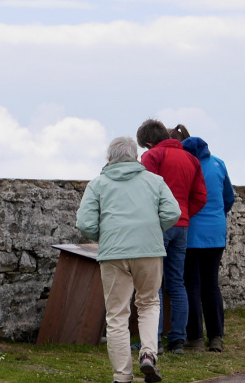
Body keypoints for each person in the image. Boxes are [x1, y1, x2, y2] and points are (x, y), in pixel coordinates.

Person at [77, 136, 179, 383]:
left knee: (116, 314)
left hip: (114, 252)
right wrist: (152, 231)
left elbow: (84, 223)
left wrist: (106, 236)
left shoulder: (98, 184)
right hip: (149, 250)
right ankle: (148, 354)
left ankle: (122, 375)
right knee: (148, 303)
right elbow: (173, 212)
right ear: (135, 156)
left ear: (109, 158)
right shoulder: (154, 181)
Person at [136, 119, 207, 355]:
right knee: (177, 283)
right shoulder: (191, 159)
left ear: (148, 142)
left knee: (153, 285)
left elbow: (146, 192)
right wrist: (182, 214)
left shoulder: (152, 156)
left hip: (158, 225)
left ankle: (153, 340)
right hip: (182, 225)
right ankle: (177, 339)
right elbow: (200, 197)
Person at [181, 133, 235, 352]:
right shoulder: (218, 163)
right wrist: (217, 215)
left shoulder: (187, 166)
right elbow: (228, 197)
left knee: (191, 285)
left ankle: (195, 338)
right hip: (216, 232)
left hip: (191, 232)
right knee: (211, 284)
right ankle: (216, 337)